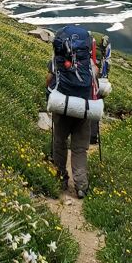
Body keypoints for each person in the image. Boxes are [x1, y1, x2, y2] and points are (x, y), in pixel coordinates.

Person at [46, 25, 97, 198]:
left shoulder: (57, 60)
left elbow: (49, 80)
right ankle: (81, 185)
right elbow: (95, 79)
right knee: (79, 148)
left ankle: (60, 177)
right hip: (83, 108)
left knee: (60, 142)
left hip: (62, 106)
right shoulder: (88, 63)